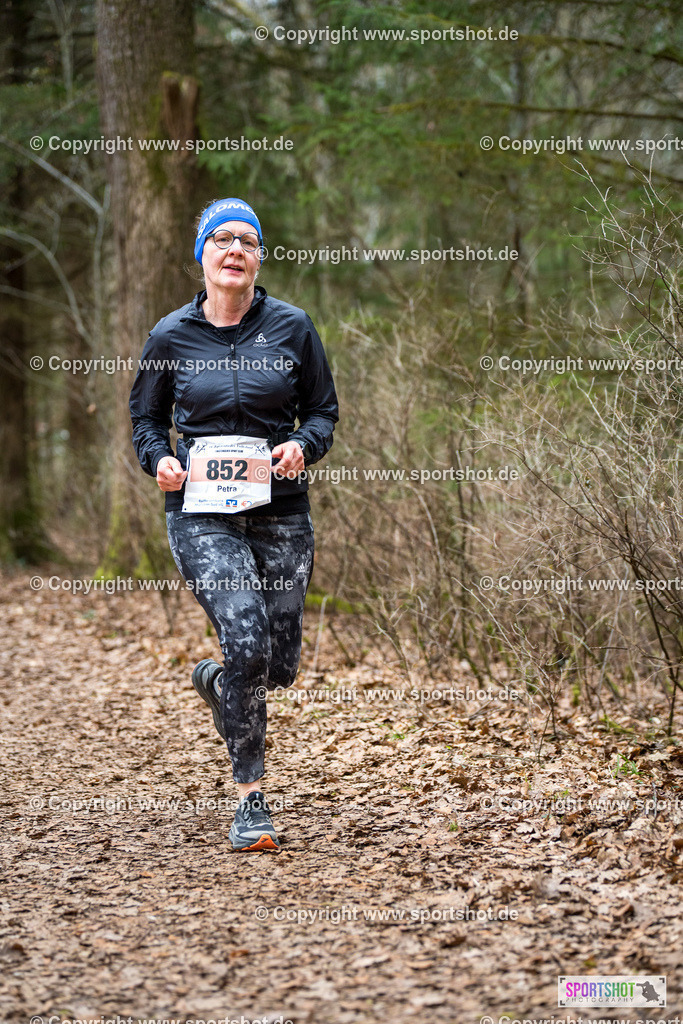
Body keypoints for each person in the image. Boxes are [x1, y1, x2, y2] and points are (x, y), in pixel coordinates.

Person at [129, 197, 339, 852]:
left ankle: (223, 687)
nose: (235, 251)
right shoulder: (170, 335)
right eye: (221, 239)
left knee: (277, 666)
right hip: (201, 514)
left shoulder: (293, 327)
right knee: (245, 639)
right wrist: (160, 460)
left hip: (281, 510)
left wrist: (303, 444)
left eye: (247, 241)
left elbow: (323, 412)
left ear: (259, 259)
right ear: (203, 254)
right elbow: (145, 421)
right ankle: (251, 801)